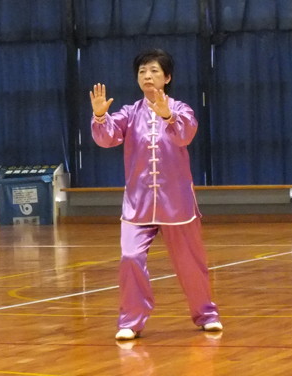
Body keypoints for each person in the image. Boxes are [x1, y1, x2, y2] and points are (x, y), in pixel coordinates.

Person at [89, 49, 222, 340]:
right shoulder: (128, 113)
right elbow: (107, 138)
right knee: (130, 257)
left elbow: (184, 136)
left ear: (167, 77)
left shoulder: (183, 109)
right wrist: (100, 115)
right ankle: (131, 321)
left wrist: (167, 115)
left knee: (191, 264)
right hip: (137, 206)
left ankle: (206, 314)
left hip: (177, 205)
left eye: (154, 71)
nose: (147, 76)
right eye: (142, 72)